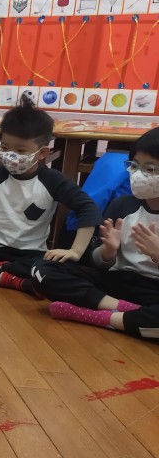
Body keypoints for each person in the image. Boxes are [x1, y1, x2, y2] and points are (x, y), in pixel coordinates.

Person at [0, 96, 101, 294]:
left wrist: (75, 251)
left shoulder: (53, 180)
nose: (10, 155)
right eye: (5, 148)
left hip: (32, 255)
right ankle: (11, 278)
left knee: (59, 268)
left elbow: (88, 209)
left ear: (42, 153)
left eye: (21, 150)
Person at [32, 127, 159, 339]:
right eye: (134, 166)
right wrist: (107, 252)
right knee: (42, 268)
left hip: (154, 291)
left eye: (150, 169)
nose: (138, 175)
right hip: (116, 283)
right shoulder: (123, 205)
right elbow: (96, 262)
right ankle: (124, 311)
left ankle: (93, 315)